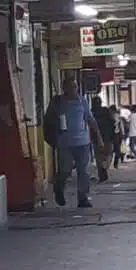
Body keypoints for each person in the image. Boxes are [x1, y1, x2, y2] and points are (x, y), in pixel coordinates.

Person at [42, 77, 106, 209]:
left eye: (75, 87)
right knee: (65, 171)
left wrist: (98, 138)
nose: (73, 90)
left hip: (83, 142)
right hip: (64, 143)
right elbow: (48, 120)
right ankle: (59, 188)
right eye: (70, 87)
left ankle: (82, 198)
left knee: (84, 171)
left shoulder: (82, 101)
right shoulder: (57, 102)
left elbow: (90, 120)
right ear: (64, 88)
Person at [90, 96, 117, 182]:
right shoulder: (106, 111)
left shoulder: (91, 113)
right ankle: (105, 166)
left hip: (96, 138)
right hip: (107, 137)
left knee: (98, 157)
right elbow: (113, 122)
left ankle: (101, 174)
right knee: (109, 154)